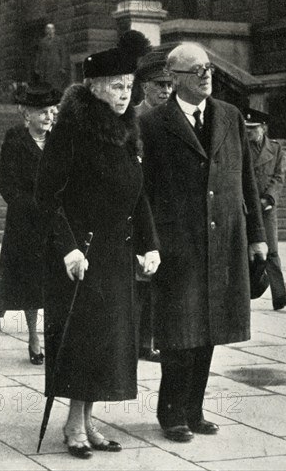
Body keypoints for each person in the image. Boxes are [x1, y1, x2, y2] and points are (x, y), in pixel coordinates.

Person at [35, 31, 159, 458]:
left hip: (114, 253)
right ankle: (73, 424)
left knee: (105, 342)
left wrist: (150, 243)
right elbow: (46, 196)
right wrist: (68, 247)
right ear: (93, 87)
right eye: (116, 86)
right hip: (79, 255)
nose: (125, 95)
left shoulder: (127, 130)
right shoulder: (70, 131)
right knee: (81, 340)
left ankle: (88, 422)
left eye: (129, 86)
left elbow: (137, 191)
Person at [140, 43, 268, 443]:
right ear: (175, 78)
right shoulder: (154, 124)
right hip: (179, 244)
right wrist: (150, 243)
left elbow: (247, 179)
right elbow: (145, 191)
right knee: (180, 333)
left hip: (225, 239)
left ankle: (194, 410)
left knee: (211, 329)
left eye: (209, 68)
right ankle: (171, 413)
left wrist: (258, 239)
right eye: (196, 70)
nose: (206, 74)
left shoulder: (228, 116)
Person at [0, 83, 61, 366]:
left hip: (55, 224)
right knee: (28, 281)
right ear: (26, 114)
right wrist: (34, 205)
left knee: (53, 282)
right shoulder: (15, 140)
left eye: (52, 111)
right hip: (25, 225)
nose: (49, 117)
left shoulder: (58, 141)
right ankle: (33, 336)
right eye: (42, 112)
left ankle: (50, 334)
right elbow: (8, 187)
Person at [134, 50, 174, 362]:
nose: (166, 90)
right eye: (159, 84)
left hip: (169, 212)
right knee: (141, 282)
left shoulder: (175, 120)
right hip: (139, 208)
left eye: (170, 85)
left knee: (164, 281)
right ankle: (140, 341)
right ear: (145, 86)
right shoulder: (133, 119)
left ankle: (156, 339)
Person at [245, 108, 286, 310]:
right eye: (246, 128)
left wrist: (268, 198)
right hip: (246, 207)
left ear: (263, 128)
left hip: (267, 209)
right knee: (246, 252)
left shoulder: (275, 149)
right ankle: (245, 294)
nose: (248, 132)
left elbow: (278, 176)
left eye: (253, 128)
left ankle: (280, 296)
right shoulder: (240, 147)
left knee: (273, 252)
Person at [134, 51, 173, 116]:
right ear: (144, 87)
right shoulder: (132, 116)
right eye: (161, 85)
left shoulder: (177, 116)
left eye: (170, 85)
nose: (166, 90)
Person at [34, 23, 70, 92]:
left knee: (56, 83)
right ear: (45, 30)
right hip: (45, 66)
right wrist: (37, 67)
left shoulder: (59, 40)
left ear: (54, 30)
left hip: (56, 65)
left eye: (51, 28)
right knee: (45, 83)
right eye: (48, 28)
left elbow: (63, 53)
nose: (50, 30)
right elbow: (38, 55)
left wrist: (63, 66)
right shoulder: (42, 41)